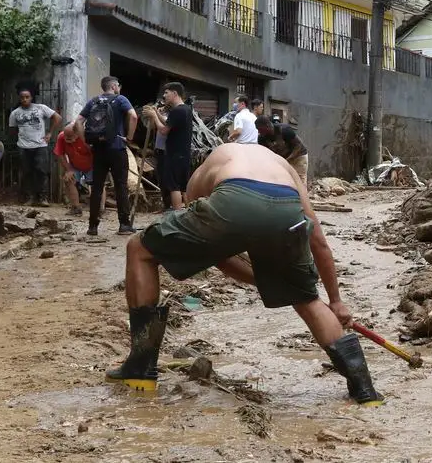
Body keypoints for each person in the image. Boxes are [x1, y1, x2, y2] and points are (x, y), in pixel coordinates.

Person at [106, 144, 383, 406]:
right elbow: (318, 239)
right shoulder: (282, 166)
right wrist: (335, 300)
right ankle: (364, 389)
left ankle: (140, 369)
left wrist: (264, 280)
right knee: (307, 298)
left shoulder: (205, 171)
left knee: (139, 248)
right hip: (286, 207)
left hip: (232, 197)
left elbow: (217, 255)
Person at [77, 76, 138, 236]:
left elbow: (78, 122)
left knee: (97, 188)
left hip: (98, 150)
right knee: (120, 186)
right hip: (117, 148)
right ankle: (124, 225)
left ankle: (92, 227)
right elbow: (133, 116)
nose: (119, 88)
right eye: (118, 85)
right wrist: (130, 138)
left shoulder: (93, 101)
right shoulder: (120, 99)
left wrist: (86, 143)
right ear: (114, 86)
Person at [8, 88, 61, 206]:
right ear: (19, 98)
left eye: (27, 97)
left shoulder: (41, 108)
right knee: (26, 172)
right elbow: (12, 129)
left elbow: (57, 118)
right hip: (23, 146)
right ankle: (30, 197)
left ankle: (43, 198)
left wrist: (50, 133)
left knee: (42, 171)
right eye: (22, 97)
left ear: (31, 98)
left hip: (40, 145)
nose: (25, 99)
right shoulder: (15, 113)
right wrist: (20, 137)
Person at [146, 82, 192, 211]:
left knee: (174, 187)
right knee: (183, 186)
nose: (164, 96)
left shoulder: (177, 111)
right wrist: (157, 113)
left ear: (174, 93)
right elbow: (168, 123)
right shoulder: (186, 109)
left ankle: (177, 216)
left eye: (166, 93)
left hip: (174, 154)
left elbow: (164, 130)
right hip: (184, 154)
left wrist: (154, 116)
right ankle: (188, 214)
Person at [256, 116, 309, 186]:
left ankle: (302, 196)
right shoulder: (261, 139)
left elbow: (298, 146)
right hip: (283, 159)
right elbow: (265, 154)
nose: (259, 132)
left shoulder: (284, 130)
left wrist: (287, 159)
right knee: (284, 180)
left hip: (298, 157)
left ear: (268, 125)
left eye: (260, 129)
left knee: (299, 181)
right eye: (257, 129)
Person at [53, 124, 93, 216]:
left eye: (70, 136)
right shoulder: (61, 137)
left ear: (78, 133)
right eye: (66, 135)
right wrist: (68, 170)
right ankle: (76, 208)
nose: (67, 138)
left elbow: (97, 153)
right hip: (75, 164)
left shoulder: (87, 137)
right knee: (68, 180)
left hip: (92, 164)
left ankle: (99, 209)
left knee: (98, 183)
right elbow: (60, 154)